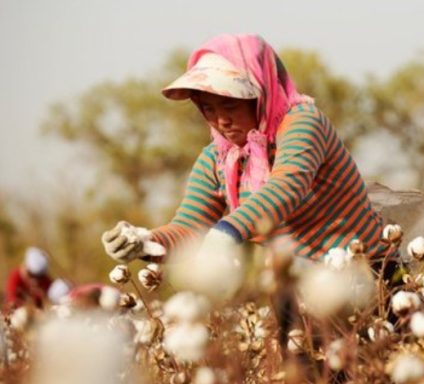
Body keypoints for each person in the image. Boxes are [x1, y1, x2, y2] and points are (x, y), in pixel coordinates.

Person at [101, 34, 396, 275]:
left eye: (230, 106)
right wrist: (146, 243)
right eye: (208, 109)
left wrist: (227, 230)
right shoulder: (217, 160)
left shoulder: (302, 123)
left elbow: (286, 187)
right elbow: (189, 227)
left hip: (369, 275)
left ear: (260, 95)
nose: (221, 121)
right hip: (298, 288)